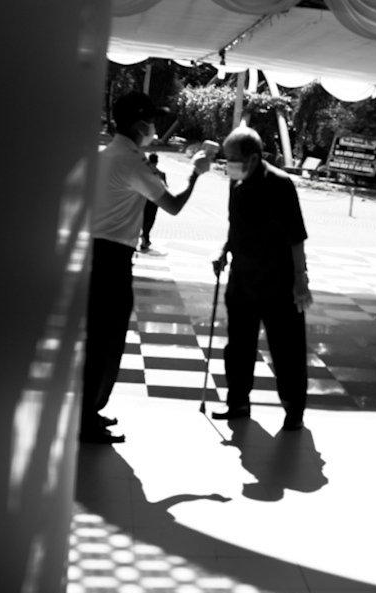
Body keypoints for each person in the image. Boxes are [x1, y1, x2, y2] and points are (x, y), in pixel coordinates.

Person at [81, 92, 211, 443]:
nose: (154, 128)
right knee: (105, 340)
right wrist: (196, 173)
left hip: (99, 253)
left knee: (99, 338)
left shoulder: (107, 155)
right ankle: (86, 420)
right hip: (112, 258)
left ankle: (89, 410)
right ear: (140, 125)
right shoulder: (130, 162)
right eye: (151, 121)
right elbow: (173, 205)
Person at [211, 127, 312, 431]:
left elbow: (296, 238)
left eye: (233, 158)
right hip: (242, 280)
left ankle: (293, 408)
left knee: (286, 349)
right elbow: (235, 224)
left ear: (253, 158)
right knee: (238, 346)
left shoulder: (280, 184)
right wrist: (224, 251)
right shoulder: (236, 182)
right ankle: (237, 402)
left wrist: (301, 280)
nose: (229, 164)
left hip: (278, 282)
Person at [139, 153, 166, 252]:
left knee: (144, 219)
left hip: (143, 198)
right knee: (150, 219)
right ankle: (145, 237)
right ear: (157, 162)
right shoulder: (161, 174)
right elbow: (164, 188)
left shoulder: (143, 172)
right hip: (155, 200)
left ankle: (145, 239)